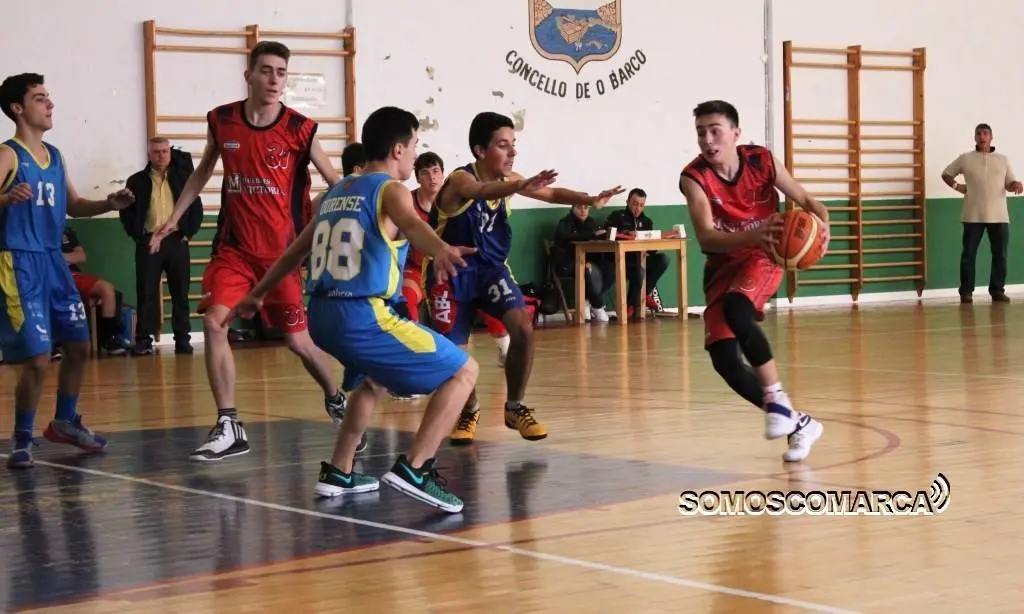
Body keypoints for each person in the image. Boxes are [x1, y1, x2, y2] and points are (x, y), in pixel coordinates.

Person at [227, 106, 479, 513]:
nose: (416, 155)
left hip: (323, 317)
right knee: (465, 370)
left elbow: (296, 249)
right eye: (415, 146)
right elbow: (413, 227)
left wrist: (259, 293)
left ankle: (340, 470)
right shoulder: (391, 190)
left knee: (370, 382)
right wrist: (441, 248)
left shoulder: (337, 191)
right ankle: (416, 467)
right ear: (398, 149)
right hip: (363, 315)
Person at [148, 41, 352, 462]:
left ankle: (335, 397)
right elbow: (204, 170)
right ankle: (229, 423)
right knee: (216, 323)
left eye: (281, 72)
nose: (275, 79)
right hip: (235, 250)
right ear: (249, 76)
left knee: (298, 343)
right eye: (266, 71)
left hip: (281, 257)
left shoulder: (301, 129)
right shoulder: (222, 120)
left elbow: (336, 182)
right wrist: (172, 218)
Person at [428, 111, 623, 445]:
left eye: (513, 144)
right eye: (503, 145)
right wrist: (519, 185)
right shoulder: (461, 179)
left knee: (523, 327)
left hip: (490, 270)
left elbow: (552, 194)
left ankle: (514, 407)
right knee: (453, 353)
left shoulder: (510, 180)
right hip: (452, 272)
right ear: (479, 150)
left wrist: (589, 199)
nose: (512, 152)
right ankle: (469, 409)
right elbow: (478, 190)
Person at [678, 99, 826, 462]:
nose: (708, 140)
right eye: (701, 133)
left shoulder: (761, 161)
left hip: (765, 254)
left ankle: (776, 397)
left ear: (735, 133)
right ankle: (799, 424)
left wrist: (824, 223)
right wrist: (755, 231)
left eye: (715, 131)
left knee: (737, 309)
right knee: (724, 360)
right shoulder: (693, 178)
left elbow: (804, 197)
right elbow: (708, 239)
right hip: (725, 261)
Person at [0, 72, 134, 468]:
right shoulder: (8, 155)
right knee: (38, 359)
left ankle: (64, 421)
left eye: (49, 97)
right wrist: (6, 198)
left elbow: (74, 205)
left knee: (78, 346)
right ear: (18, 108)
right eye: (41, 98)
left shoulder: (55, 156)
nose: (50, 104)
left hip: (54, 264)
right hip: (19, 262)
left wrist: (110, 202)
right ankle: (22, 437)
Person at [402, 151, 511, 363]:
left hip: (456, 267)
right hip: (420, 265)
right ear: (417, 178)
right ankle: (412, 359)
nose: (432, 177)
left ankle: (505, 348)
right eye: (425, 173)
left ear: (444, 175)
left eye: (436, 172)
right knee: (407, 299)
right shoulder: (406, 201)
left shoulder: (457, 195)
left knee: (491, 300)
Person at [940, 123, 1023, 304]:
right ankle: (966, 292)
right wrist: (957, 186)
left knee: (1000, 255)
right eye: (978, 133)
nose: (982, 136)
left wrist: (1015, 184)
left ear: (991, 137)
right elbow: (946, 174)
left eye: (985, 133)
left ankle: (997, 290)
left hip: (999, 216)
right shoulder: (965, 159)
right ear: (975, 138)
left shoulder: (1003, 160)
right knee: (968, 254)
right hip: (972, 215)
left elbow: (1009, 183)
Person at [61, 227, 130, 354]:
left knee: (108, 289)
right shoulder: (37, 228)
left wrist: (59, 257)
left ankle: (109, 339)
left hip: (75, 275)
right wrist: (67, 258)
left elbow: (81, 256)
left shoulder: (66, 231)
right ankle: (56, 345)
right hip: (54, 276)